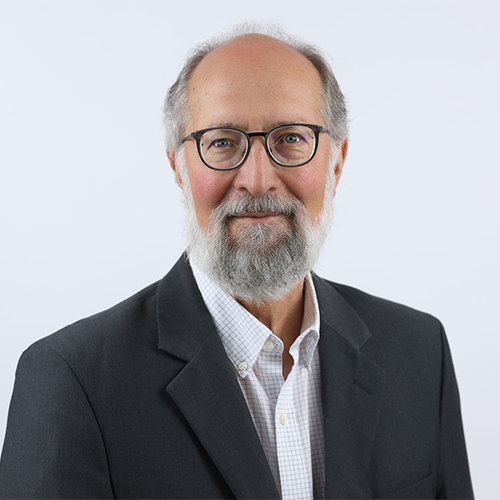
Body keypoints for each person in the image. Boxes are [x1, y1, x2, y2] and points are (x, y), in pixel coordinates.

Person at [0, 23, 474, 500]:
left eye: (290, 137)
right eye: (223, 142)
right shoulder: (72, 380)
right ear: (178, 168)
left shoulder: (418, 352)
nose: (258, 179)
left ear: (337, 161)